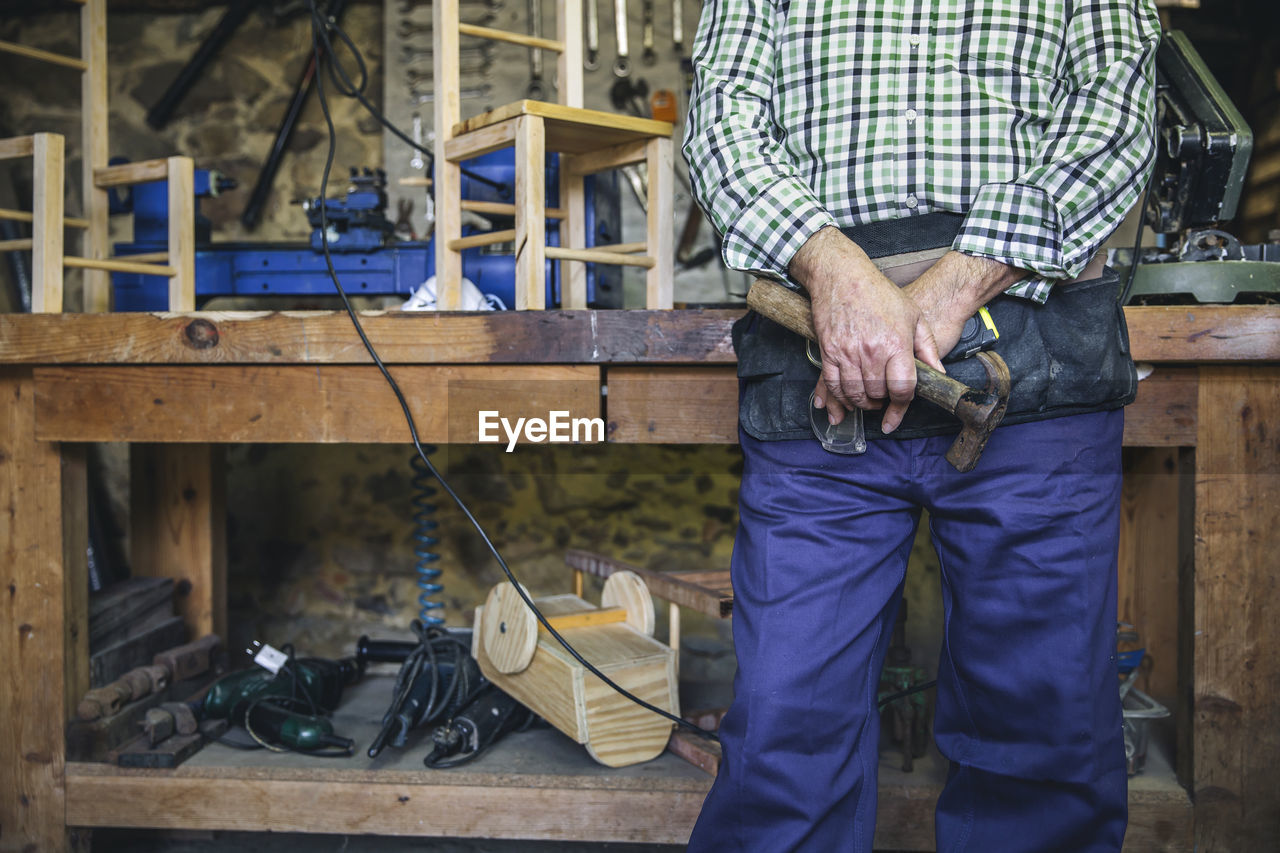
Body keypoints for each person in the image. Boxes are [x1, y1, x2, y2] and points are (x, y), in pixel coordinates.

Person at [682, 1, 1162, 850]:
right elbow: (723, 124)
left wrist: (942, 295)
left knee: (1043, 736)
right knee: (782, 744)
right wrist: (835, 273)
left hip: (1034, 359)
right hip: (812, 363)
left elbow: (1113, 116)